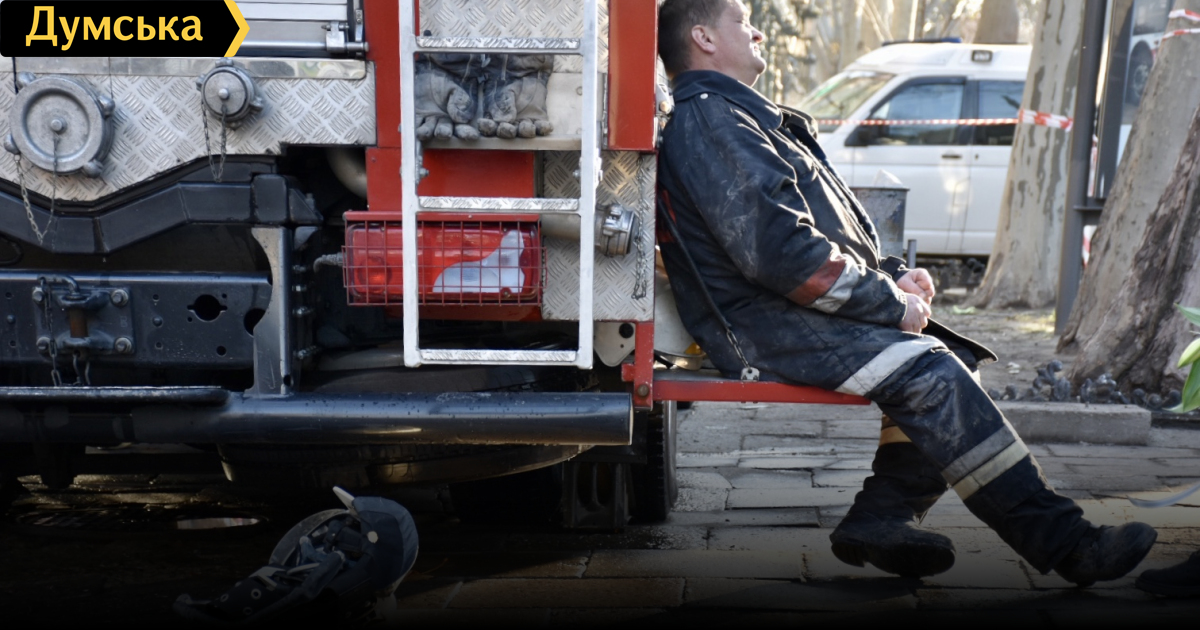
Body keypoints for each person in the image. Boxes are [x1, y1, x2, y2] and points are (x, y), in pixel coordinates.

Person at [655, 0, 1157, 584]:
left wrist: (889, 275)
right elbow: (784, 258)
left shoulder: (734, 118)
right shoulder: (715, 122)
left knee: (954, 356)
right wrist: (892, 304)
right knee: (932, 373)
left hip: (783, 312)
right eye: (743, 20)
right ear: (703, 38)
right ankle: (1068, 545)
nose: (758, 31)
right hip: (763, 325)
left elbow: (812, 233)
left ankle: (880, 520)